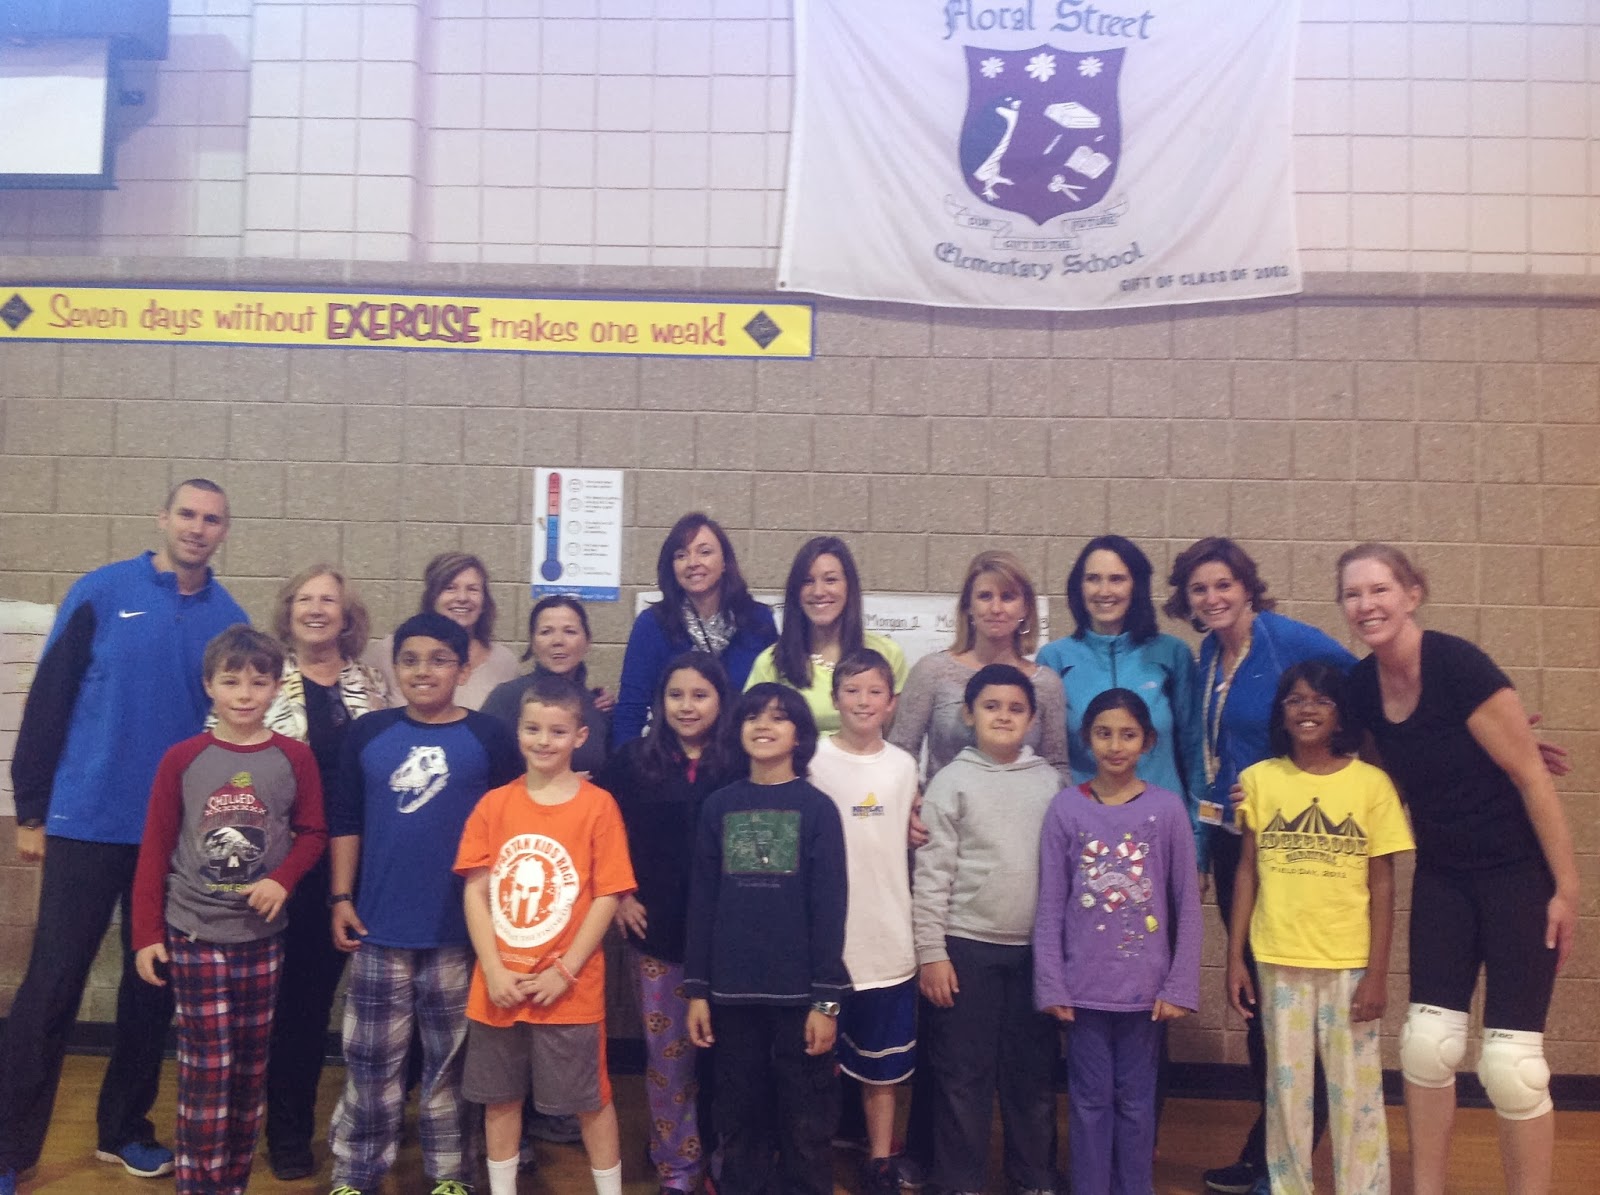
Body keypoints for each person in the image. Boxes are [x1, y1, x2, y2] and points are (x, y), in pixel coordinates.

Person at [0, 478, 246, 1192]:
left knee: (152, 990)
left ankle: (123, 1131)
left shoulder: (227, 620)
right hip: (84, 825)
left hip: (171, 840)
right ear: (162, 517)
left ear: (225, 531)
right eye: (188, 514)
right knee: (51, 986)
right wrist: (34, 810)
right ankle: (11, 1148)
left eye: (212, 519)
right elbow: (49, 699)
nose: (198, 528)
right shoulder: (101, 591)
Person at [1337, 543, 1580, 1195]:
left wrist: (1566, 889)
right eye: (1354, 594)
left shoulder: (1458, 666)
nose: (1367, 604)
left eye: (1380, 589)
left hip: (1516, 877)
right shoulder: (1361, 687)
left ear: (1412, 594)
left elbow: (1532, 777)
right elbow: (1354, 775)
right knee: (1425, 1044)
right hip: (1444, 876)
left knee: (1510, 1063)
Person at [1164, 536, 1352, 1194]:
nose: (1212, 598)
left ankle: (1284, 1153)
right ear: (1186, 600)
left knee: (1296, 1000)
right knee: (1259, 1004)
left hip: (1294, 848)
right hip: (1233, 840)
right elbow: (1211, 751)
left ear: (1247, 586)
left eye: (1223, 585)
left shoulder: (1287, 639)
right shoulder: (1207, 653)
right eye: (1198, 589)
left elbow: (1366, 687)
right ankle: (1272, 1146)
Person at [325, 612, 523, 1195]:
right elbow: (346, 821)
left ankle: (449, 1174)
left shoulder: (489, 737)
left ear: (464, 669)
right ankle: (356, 1172)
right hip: (378, 930)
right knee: (369, 1065)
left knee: (450, 1067)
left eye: (440, 659)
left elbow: (511, 829)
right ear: (395, 667)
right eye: (410, 659)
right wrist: (340, 895)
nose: (423, 671)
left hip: (460, 935)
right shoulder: (369, 734)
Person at [130, 626, 328, 1195]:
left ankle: (231, 1183)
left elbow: (314, 832)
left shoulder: (294, 758)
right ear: (209, 686)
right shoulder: (183, 759)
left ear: (275, 688)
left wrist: (283, 879)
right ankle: (198, 1184)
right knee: (207, 1071)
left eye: (258, 681)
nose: (244, 692)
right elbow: (155, 847)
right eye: (231, 680)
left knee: (247, 1073)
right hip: (194, 934)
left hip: (262, 938)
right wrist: (146, 933)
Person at [1226, 661, 1413, 1195]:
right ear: (1281, 713)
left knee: (1356, 1095)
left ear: (1339, 715)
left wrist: (1378, 973)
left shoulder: (1372, 786)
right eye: (1296, 700)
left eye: (1321, 701)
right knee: (1286, 1095)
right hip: (1277, 957)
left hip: (1348, 963)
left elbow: (1384, 887)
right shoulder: (1259, 780)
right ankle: (1288, 1187)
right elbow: (1246, 872)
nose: (1307, 710)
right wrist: (1235, 957)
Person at [455, 675, 637, 1195]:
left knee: (590, 1101)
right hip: (499, 985)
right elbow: (476, 892)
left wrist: (564, 969)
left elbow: (608, 894)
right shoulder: (495, 805)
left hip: (570, 989)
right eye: (532, 729)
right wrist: (491, 967)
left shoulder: (598, 806)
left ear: (580, 736)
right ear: (518, 731)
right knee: (501, 1099)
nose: (543, 740)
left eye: (557, 731)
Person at [1034, 687, 1202, 1195]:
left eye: (1127, 734)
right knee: (1087, 1100)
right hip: (1082, 990)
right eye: (1104, 733)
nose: (1115, 745)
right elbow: (1049, 904)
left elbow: (1187, 905)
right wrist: (1051, 984)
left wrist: (1179, 986)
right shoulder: (1065, 809)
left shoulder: (1167, 811)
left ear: (1147, 741)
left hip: (1144, 993)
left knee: (1135, 1100)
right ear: (1087, 739)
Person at [684, 684, 849, 1195]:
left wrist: (826, 1001)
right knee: (738, 1111)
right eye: (752, 714)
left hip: (800, 998)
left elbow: (830, 908)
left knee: (805, 1117)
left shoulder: (818, 809)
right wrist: (696, 990)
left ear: (799, 734)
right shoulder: (718, 806)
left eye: (778, 718)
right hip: (731, 996)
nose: (763, 725)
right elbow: (702, 902)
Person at [260, 565, 391, 1181]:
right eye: (305, 599)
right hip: (291, 873)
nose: (317, 609)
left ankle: (369, 1132)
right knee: (301, 1010)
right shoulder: (263, 683)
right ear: (288, 613)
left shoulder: (374, 686)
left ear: (347, 614)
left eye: (329, 600)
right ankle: (288, 1134)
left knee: (378, 1012)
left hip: (367, 869)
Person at [912, 664, 1062, 1195]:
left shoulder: (1051, 783)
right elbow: (932, 874)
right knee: (961, 1076)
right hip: (965, 949)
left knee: (1032, 1077)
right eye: (992, 706)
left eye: (1016, 708)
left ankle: (1033, 1178)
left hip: (1035, 956)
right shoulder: (951, 781)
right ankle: (959, 1182)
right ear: (969, 715)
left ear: (1034, 719)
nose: (1003, 716)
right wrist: (932, 951)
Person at [597, 652, 740, 1195]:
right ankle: (678, 1169)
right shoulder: (631, 761)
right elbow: (599, 830)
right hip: (657, 934)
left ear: (721, 701)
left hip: (730, 939)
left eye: (700, 695)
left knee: (729, 1060)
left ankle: (727, 1162)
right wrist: (619, 894)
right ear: (660, 701)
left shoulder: (741, 760)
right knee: (668, 1063)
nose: (687, 706)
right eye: (676, 695)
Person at [806, 649, 921, 1194]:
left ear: (892, 702)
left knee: (883, 1071)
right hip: (827, 956)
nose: (863, 701)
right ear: (834, 699)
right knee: (815, 1064)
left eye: (875, 691)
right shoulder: (812, 764)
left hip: (888, 946)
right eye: (852, 690)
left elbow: (910, 834)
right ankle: (810, 1161)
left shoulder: (903, 767)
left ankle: (879, 1160)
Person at [1037, 535, 1203, 847]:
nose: (1104, 591)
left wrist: (1198, 841)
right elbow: (1047, 759)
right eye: (1093, 579)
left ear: (1135, 587)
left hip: (1163, 832)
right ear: (1079, 587)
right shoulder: (1054, 659)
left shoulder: (1173, 654)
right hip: (1086, 833)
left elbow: (1195, 753)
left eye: (1117, 579)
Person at [889, 549, 1069, 784]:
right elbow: (901, 751)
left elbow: (1057, 765)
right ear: (968, 607)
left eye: (1007, 597)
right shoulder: (932, 671)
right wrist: (910, 799)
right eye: (985, 596)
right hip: (945, 814)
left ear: (1025, 609)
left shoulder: (1045, 683)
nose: (996, 608)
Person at [612, 512, 778, 745]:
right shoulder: (652, 625)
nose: (693, 563)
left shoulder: (757, 620)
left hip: (742, 758)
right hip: (671, 759)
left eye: (705, 552)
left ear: (724, 563)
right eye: (681, 555)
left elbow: (773, 702)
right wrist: (625, 770)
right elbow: (631, 709)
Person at [744, 536, 908, 731]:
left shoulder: (886, 653)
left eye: (830, 580)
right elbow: (752, 734)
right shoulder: (772, 662)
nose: (819, 591)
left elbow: (897, 740)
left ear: (849, 587)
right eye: (807, 581)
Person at [365, 552, 521, 710]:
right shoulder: (389, 652)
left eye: (473, 589)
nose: (462, 597)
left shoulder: (504, 662)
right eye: (450, 588)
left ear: (484, 602)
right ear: (432, 597)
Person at [482, 595, 611, 777]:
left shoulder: (599, 706)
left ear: (587, 641)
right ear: (533, 643)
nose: (558, 641)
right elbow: (481, 769)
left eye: (570, 631)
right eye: (546, 632)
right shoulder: (505, 698)